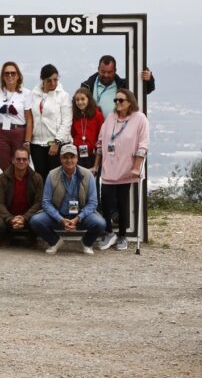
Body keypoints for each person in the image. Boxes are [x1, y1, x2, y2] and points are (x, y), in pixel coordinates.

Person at [93, 88, 150, 252]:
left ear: (130, 102)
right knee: (106, 202)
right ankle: (109, 232)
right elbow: (101, 142)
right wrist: (96, 165)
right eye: (115, 100)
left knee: (123, 202)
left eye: (121, 100)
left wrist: (137, 167)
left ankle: (123, 235)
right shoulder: (111, 118)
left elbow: (143, 145)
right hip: (109, 168)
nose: (117, 103)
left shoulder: (140, 119)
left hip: (127, 169)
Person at [30, 144, 105, 254]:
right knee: (35, 221)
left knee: (100, 223)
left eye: (72, 157)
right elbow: (46, 202)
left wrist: (78, 218)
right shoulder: (52, 175)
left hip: (81, 216)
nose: (69, 160)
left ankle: (87, 243)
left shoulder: (88, 175)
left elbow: (93, 203)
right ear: (60, 159)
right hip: (58, 215)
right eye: (65, 157)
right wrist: (60, 218)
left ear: (77, 158)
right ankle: (55, 241)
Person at [0, 146, 44, 247]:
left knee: (39, 220)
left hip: (29, 217)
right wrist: (10, 219)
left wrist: (25, 217)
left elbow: (38, 203)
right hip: (9, 216)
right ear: (13, 160)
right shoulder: (3, 177)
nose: (21, 161)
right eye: (18, 159)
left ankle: (32, 237)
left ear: (28, 161)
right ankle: (7, 236)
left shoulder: (37, 178)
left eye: (24, 159)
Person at [28, 63, 71, 181]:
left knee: (56, 179)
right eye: (49, 80)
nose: (53, 83)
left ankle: (57, 200)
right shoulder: (33, 95)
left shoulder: (63, 96)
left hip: (55, 143)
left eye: (55, 80)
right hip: (37, 143)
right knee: (40, 178)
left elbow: (67, 121)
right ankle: (43, 200)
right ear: (42, 80)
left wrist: (57, 142)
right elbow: (30, 118)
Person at [81, 55, 155, 119]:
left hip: (116, 131)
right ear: (98, 70)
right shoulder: (87, 86)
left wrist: (149, 79)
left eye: (109, 72)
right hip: (94, 131)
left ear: (115, 71)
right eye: (103, 72)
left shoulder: (123, 86)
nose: (106, 75)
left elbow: (146, 90)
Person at [0, 61, 33, 172]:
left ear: (18, 75)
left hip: (19, 132)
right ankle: (6, 188)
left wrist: (27, 141)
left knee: (20, 164)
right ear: (2, 76)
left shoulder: (26, 93)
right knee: (4, 166)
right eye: (7, 73)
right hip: (1, 133)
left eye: (13, 73)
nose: (10, 75)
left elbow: (29, 119)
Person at [70, 87, 104, 170]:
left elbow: (101, 134)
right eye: (77, 100)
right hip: (78, 153)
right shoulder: (74, 115)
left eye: (82, 99)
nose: (80, 102)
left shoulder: (97, 115)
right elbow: (73, 133)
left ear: (88, 99)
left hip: (93, 153)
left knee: (91, 178)